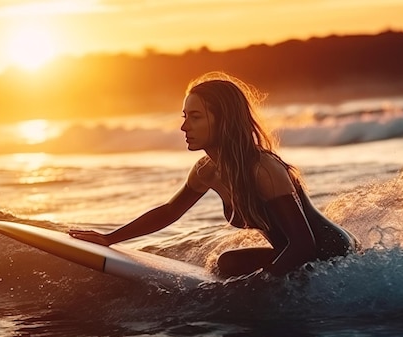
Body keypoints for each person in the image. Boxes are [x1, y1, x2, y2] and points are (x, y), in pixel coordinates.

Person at [69, 72, 360, 278]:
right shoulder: (208, 171)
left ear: (224, 120)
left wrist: (262, 286)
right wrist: (110, 239)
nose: (184, 127)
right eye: (184, 117)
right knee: (228, 264)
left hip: (331, 255)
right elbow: (170, 212)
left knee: (232, 268)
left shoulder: (264, 170)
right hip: (298, 253)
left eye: (195, 117)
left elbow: (303, 244)